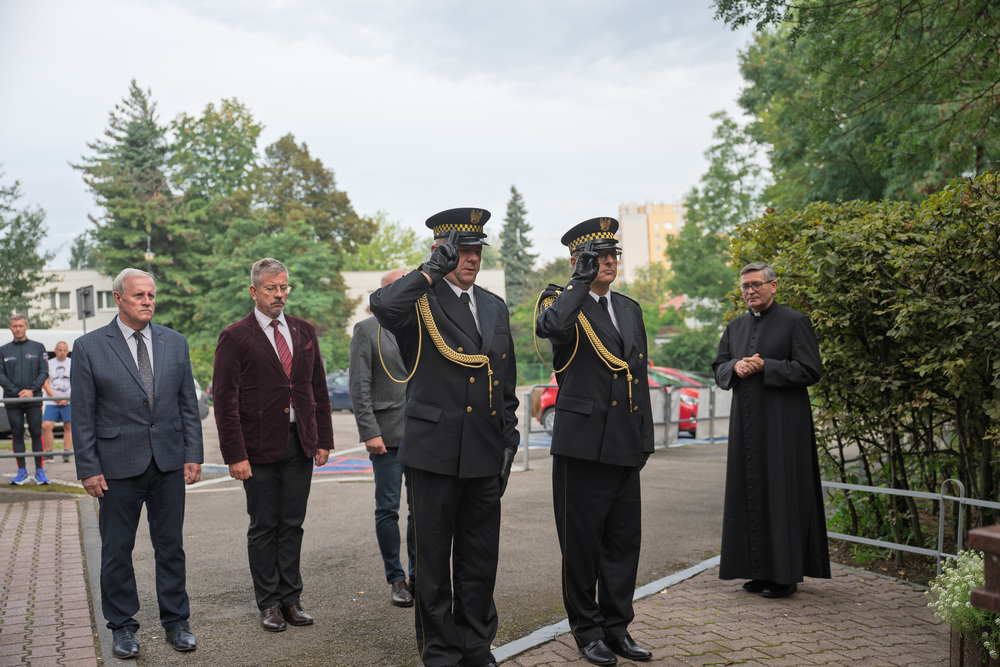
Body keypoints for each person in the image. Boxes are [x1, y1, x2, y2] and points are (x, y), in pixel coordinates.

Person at [370, 207, 519, 667]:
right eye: (462, 250)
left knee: (479, 558)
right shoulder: (419, 301)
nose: (472, 258)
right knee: (433, 562)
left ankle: (476, 645)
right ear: (441, 251)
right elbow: (382, 305)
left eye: (477, 250)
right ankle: (440, 651)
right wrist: (431, 270)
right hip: (434, 451)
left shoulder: (493, 305)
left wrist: (509, 439)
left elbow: (505, 380)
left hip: (484, 449)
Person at [535, 217, 655, 666]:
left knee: (623, 543)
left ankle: (617, 627)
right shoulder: (562, 302)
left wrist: (644, 438)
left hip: (624, 441)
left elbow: (638, 378)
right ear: (577, 261)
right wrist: (579, 282)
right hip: (583, 445)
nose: (608, 262)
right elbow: (552, 330)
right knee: (582, 545)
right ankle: (587, 631)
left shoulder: (629, 308)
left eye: (611, 255)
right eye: (597, 256)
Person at [71, 268, 203, 658]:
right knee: (116, 550)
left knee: (171, 547)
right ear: (118, 298)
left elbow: (188, 405)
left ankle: (176, 622)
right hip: (115, 466)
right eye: (138, 295)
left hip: (168, 462)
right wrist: (88, 467)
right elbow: (82, 414)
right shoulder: (89, 346)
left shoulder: (175, 342)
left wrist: (193, 454)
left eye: (151, 295)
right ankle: (122, 627)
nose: (147, 301)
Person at [213, 257, 333, 633]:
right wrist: (235, 455)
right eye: (271, 288)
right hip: (258, 449)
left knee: (292, 524)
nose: (279, 294)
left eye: (283, 287)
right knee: (265, 526)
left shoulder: (304, 331)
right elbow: (225, 400)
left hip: (301, 444)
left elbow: (318, 389)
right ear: (254, 291)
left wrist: (323, 439)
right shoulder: (235, 336)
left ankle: (291, 599)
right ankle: (268, 603)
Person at [712, 261, 830, 599]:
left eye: (756, 285)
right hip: (746, 427)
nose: (750, 291)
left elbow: (811, 370)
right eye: (745, 286)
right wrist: (734, 365)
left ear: (773, 286)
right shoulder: (735, 327)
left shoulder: (795, 322)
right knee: (749, 491)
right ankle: (757, 571)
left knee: (781, 494)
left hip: (783, 426)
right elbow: (718, 367)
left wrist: (767, 366)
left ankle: (785, 576)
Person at [349, 268, 415, 608]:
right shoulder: (367, 329)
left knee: (421, 510)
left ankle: (419, 575)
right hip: (386, 436)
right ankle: (396, 579)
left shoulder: (424, 325)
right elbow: (359, 385)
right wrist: (369, 430)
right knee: (388, 509)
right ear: (384, 293)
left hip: (424, 435)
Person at [1, 315, 49, 485]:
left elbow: (44, 371)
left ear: (26, 327)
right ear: (10, 327)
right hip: (12, 400)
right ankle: (21, 471)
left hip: (33, 398)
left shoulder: (38, 347)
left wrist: (32, 390)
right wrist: (16, 392)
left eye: (21, 325)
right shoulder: (3, 350)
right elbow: (0, 375)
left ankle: (39, 471)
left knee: (36, 432)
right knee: (17, 433)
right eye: (15, 326)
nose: (18, 329)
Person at [42, 341, 73, 464]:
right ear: (55, 350)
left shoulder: (72, 362)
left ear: (68, 351)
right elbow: (45, 383)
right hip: (52, 402)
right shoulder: (49, 364)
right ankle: (49, 453)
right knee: (46, 426)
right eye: (60, 350)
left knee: (69, 427)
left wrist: (68, 398)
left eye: (64, 350)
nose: (62, 352)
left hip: (69, 401)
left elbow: (77, 381)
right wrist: (56, 398)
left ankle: (66, 453)